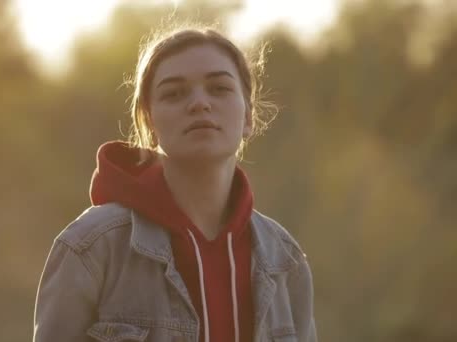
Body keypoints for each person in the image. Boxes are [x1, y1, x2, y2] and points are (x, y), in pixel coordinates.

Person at [33, 26, 317, 342]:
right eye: (174, 93)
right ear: (150, 124)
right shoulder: (91, 246)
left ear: (248, 116)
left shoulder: (284, 260)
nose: (199, 103)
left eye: (219, 88)